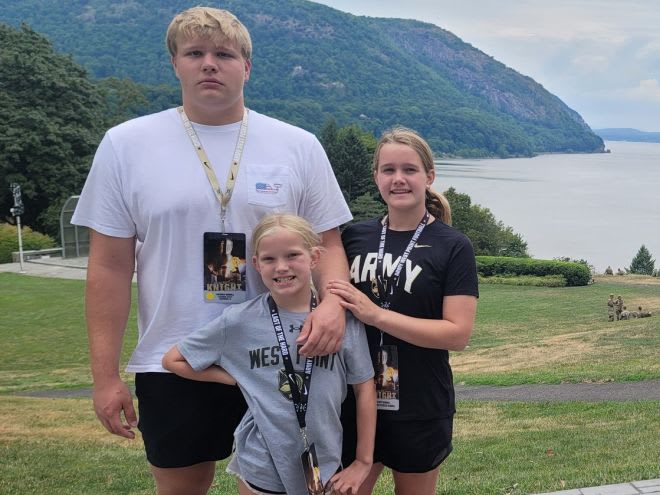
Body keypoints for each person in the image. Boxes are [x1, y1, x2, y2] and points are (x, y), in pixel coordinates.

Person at [71, 7, 352, 494]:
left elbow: (327, 242)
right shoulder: (126, 145)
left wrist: (332, 305)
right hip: (174, 356)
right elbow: (110, 267)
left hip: (282, 354)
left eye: (223, 54)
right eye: (194, 53)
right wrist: (105, 377)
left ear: (246, 67)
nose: (209, 64)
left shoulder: (297, 145)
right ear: (175, 64)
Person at [162, 214, 376, 495]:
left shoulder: (340, 321)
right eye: (269, 259)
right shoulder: (238, 321)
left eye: (292, 255)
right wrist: (235, 378)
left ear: (314, 258)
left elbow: (365, 389)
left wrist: (363, 461)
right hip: (261, 465)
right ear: (255, 264)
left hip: (324, 462)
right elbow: (173, 360)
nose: (282, 267)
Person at [328, 127, 479, 494]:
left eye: (410, 170)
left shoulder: (453, 246)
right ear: (376, 176)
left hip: (420, 403)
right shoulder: (353, 238)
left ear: (429, 176)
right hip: (354, 397)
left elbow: (457, 334)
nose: (399, 179)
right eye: (388, 169)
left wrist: (376, 315)